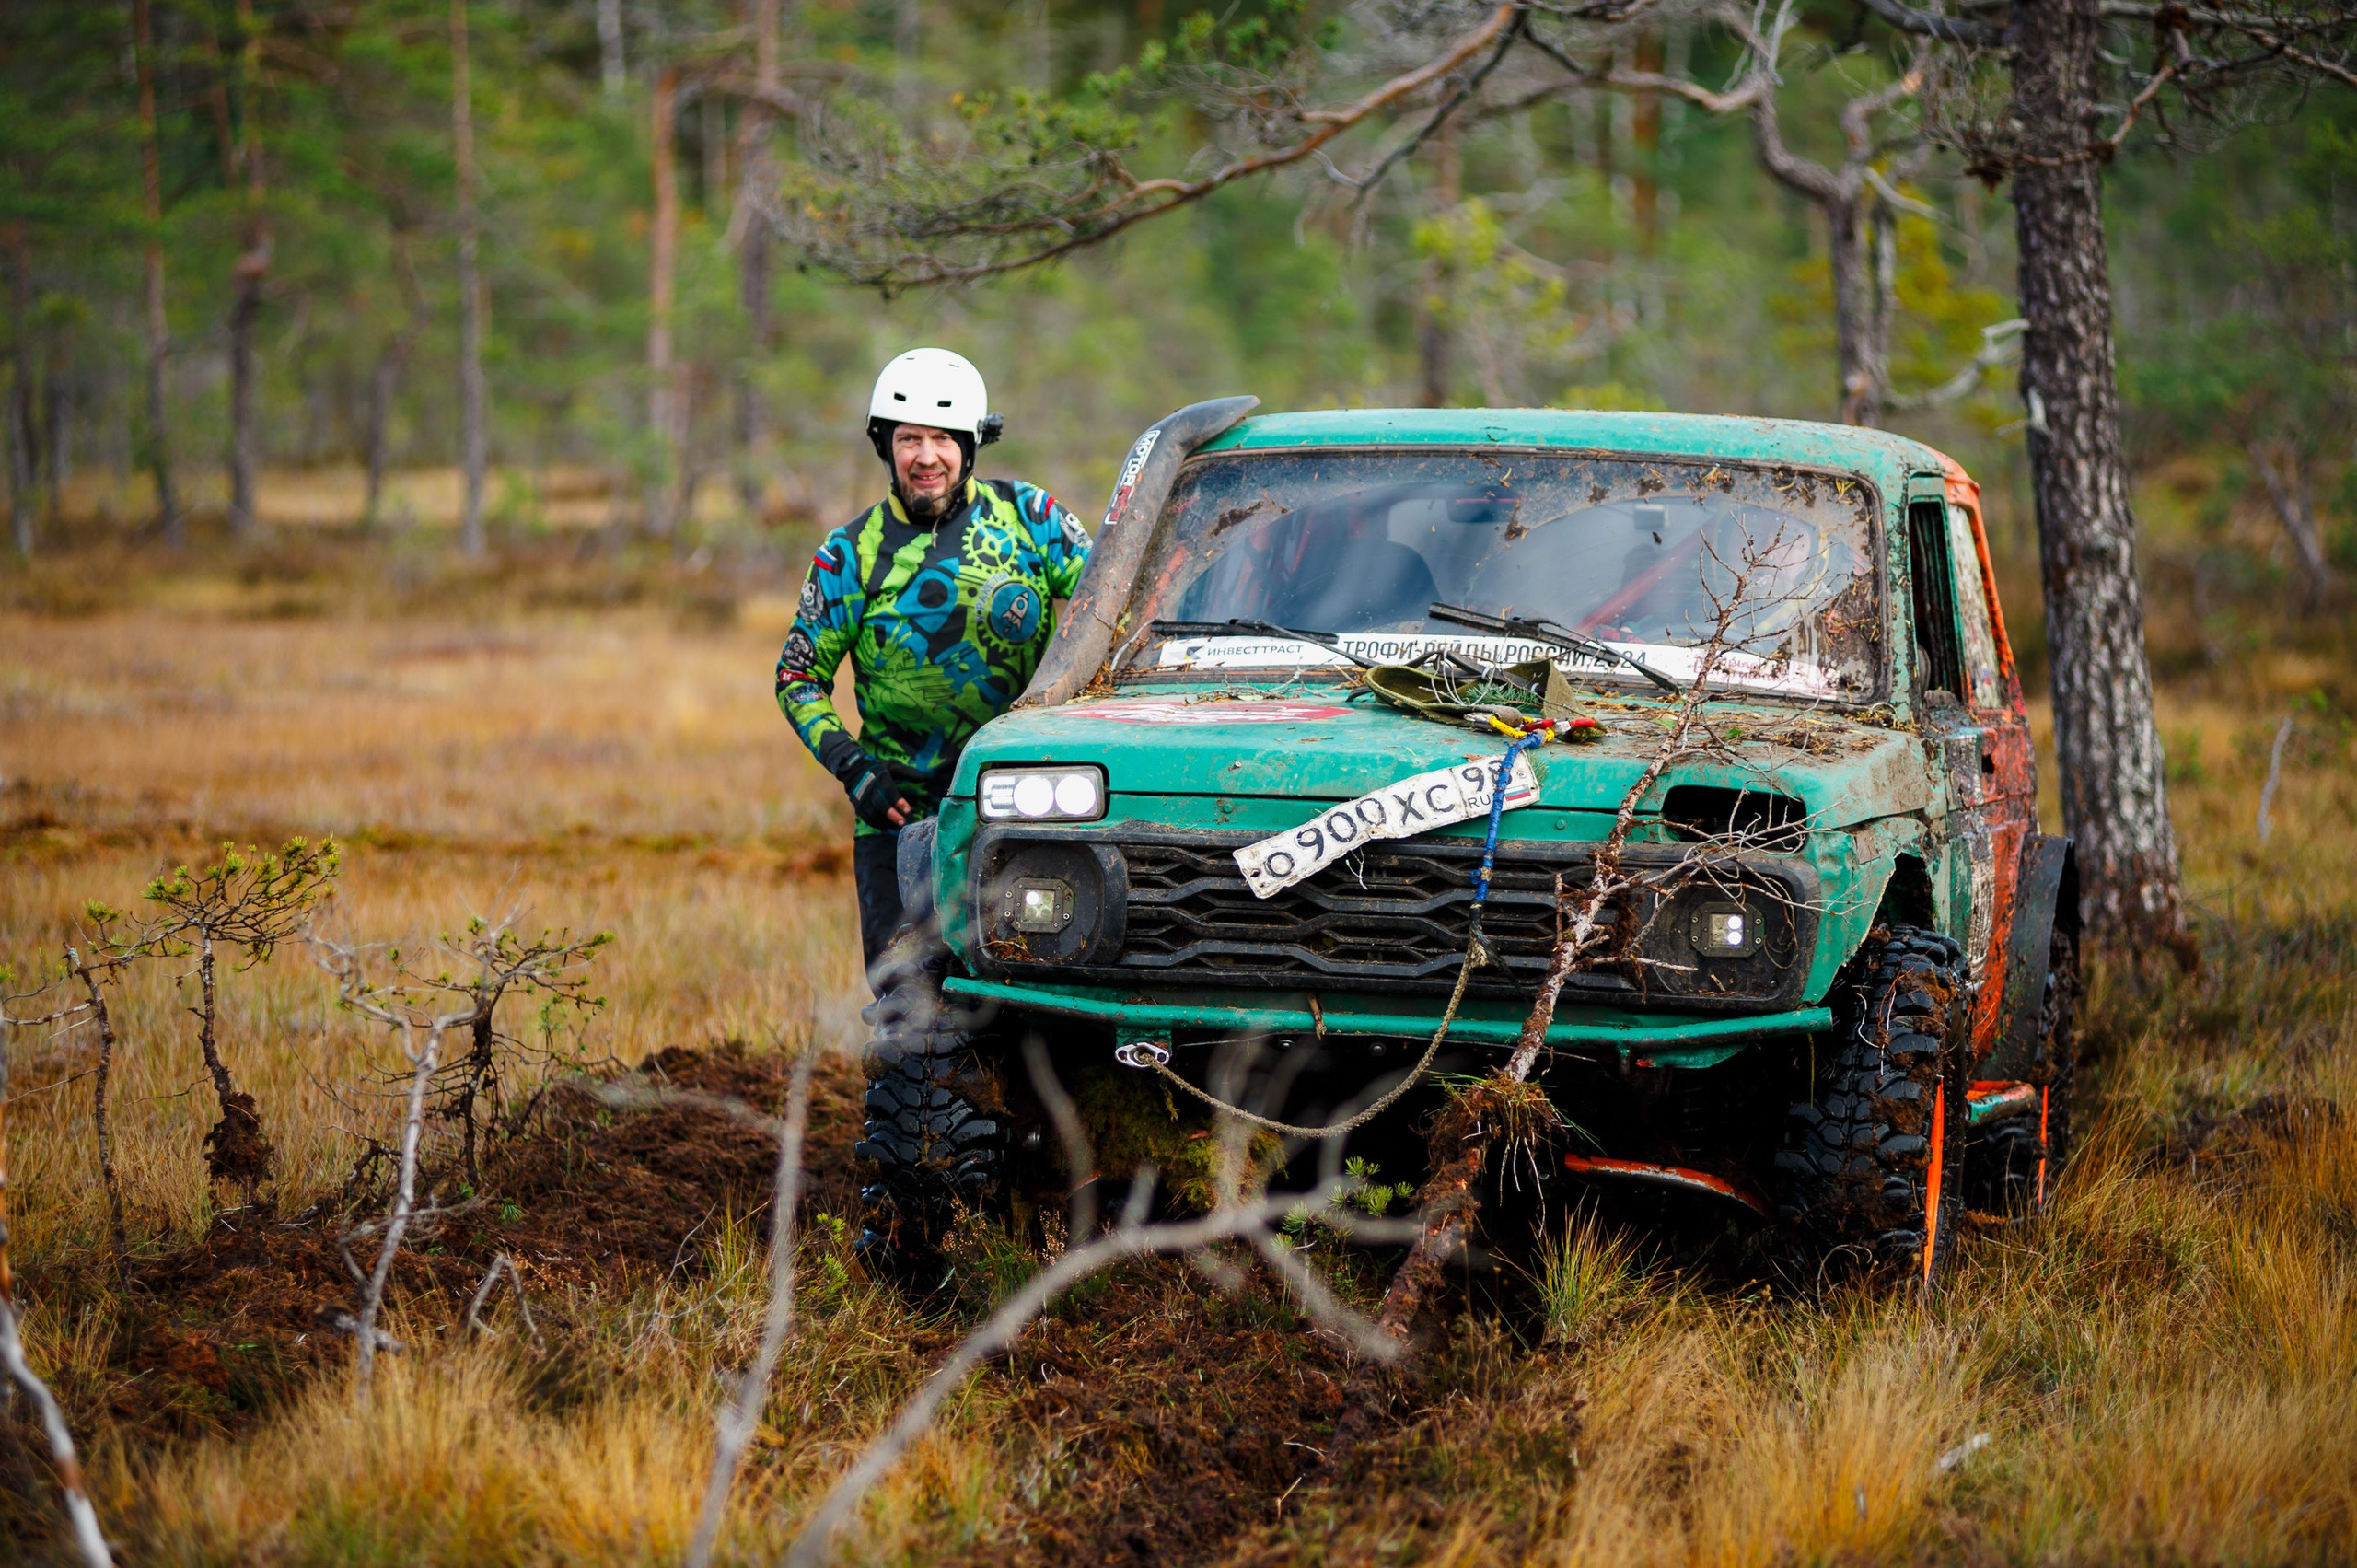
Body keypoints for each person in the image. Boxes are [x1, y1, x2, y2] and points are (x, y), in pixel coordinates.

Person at [774, 348, 1091, 986]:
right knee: (907, 1014)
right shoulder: (849, 554)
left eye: (942, 438)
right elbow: (797, 676)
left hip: (1025, 811)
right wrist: (851, 766)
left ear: (971, 445)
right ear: (884, 445)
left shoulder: (1032, 519)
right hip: (898, 823)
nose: (926, 456)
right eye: (908, 438)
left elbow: (1117, 606)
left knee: (1042, 1000)